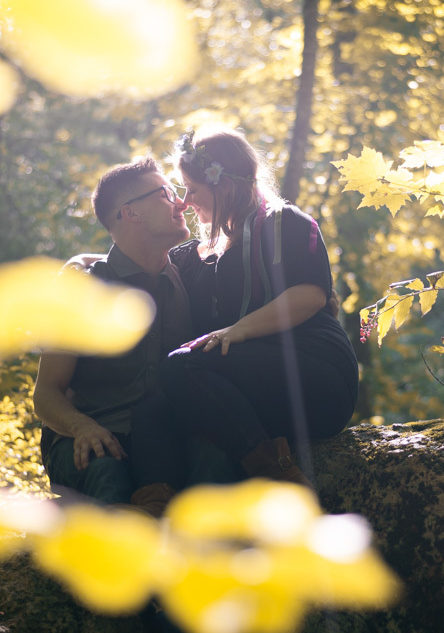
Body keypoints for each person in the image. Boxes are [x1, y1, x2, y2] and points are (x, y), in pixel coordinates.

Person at [158, 126, 359, 487]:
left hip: (315, 374)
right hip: (253, 391)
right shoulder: (196, 256)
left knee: (179, 368)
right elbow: (150, 266)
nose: (186, 202)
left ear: (225, 186)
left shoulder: (286, 224)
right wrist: (90, 261)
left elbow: (310, 294)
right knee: (164, 393)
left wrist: (239, 330)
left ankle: (279, 473)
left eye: (193, 189)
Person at [32, 156, 199, 516]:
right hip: (87, 437)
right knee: (109, 476)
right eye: (166, 193)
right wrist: (82, 427)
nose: (182, 202)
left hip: (162, 436)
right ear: (131, 213)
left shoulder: (189, 270)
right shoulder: (80, 292)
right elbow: (45, 394)